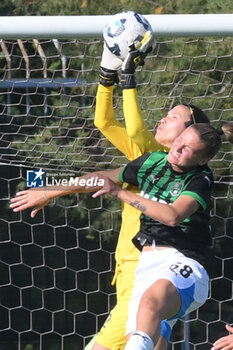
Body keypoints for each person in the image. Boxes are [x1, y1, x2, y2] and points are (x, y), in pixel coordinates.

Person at [10, 34, 213, 350]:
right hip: (133, 264)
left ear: (192, 136)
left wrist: (128, 80)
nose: (164, 118)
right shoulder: (151, 160)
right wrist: (106, 74)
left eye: (175, 117)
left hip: (156, 266)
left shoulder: (158, 154)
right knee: (152, 337)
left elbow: (132, 130)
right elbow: (103, 123)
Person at [10, 122, 233, 350]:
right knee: (139, 340)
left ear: (202, 160)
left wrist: (119, 192)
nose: (178, 147)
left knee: (150, 304)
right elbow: (102, 177)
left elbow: (173, 216)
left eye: (187, 148)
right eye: (180, 140)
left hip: (185, 261)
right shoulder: (152, 161)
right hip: (147, 264)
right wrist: (50, 191)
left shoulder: (200, 179)